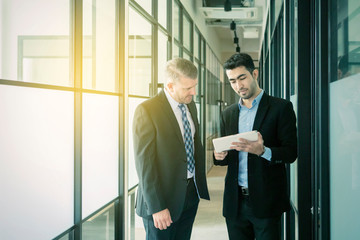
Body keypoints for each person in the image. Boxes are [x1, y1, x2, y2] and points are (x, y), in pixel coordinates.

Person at [213, 53, 298, 240]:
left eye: (242, 78)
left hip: (266, 201)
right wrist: (219, 156)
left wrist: (264, 151)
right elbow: (226, 154)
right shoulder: (228, 114)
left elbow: (291, 153)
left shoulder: (281, 108)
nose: (238, 86)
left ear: (255, 74)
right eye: (232, 81)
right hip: (235, 203)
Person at [133, 58, 210, 240]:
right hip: (162, 200)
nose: (193, 92)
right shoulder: (147, 110)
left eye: (195, 86)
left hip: (190, 194)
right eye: (187, 88)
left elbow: (192, 143)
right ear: (170, 85)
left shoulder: (190, 104)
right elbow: (144, 165)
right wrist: (157, 207)